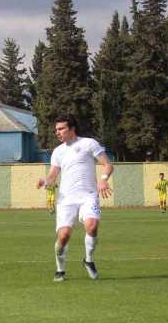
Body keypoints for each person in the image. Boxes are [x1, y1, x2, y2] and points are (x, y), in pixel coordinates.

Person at [37, 114, 113, 282]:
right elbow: (52, 176)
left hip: (88, 195)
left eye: (61, 128)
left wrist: (103, 181)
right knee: (63, 236)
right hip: (66, 199)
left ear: (72, 129)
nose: (57, 132)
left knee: (92, 226)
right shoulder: (58, 152)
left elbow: (107, 164)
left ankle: (88, 260)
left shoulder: (88, 144)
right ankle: (60, 269)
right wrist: (46, 181)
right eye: (56, 129)